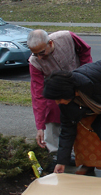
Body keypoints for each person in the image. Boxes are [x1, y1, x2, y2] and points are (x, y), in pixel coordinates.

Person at [27, 29, 92, 157]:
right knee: (51, 113)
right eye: (35, 54)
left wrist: (86, 72)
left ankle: (84, 151)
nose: (39, 57)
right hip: (55, 92)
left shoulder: (67, 37)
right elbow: (38, 94)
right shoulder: (34, 63)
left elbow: (85, 50)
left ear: (50, 43)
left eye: (41, 53)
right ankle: (56, 154)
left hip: (78, 82)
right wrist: (40, 126)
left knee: (83, 116)